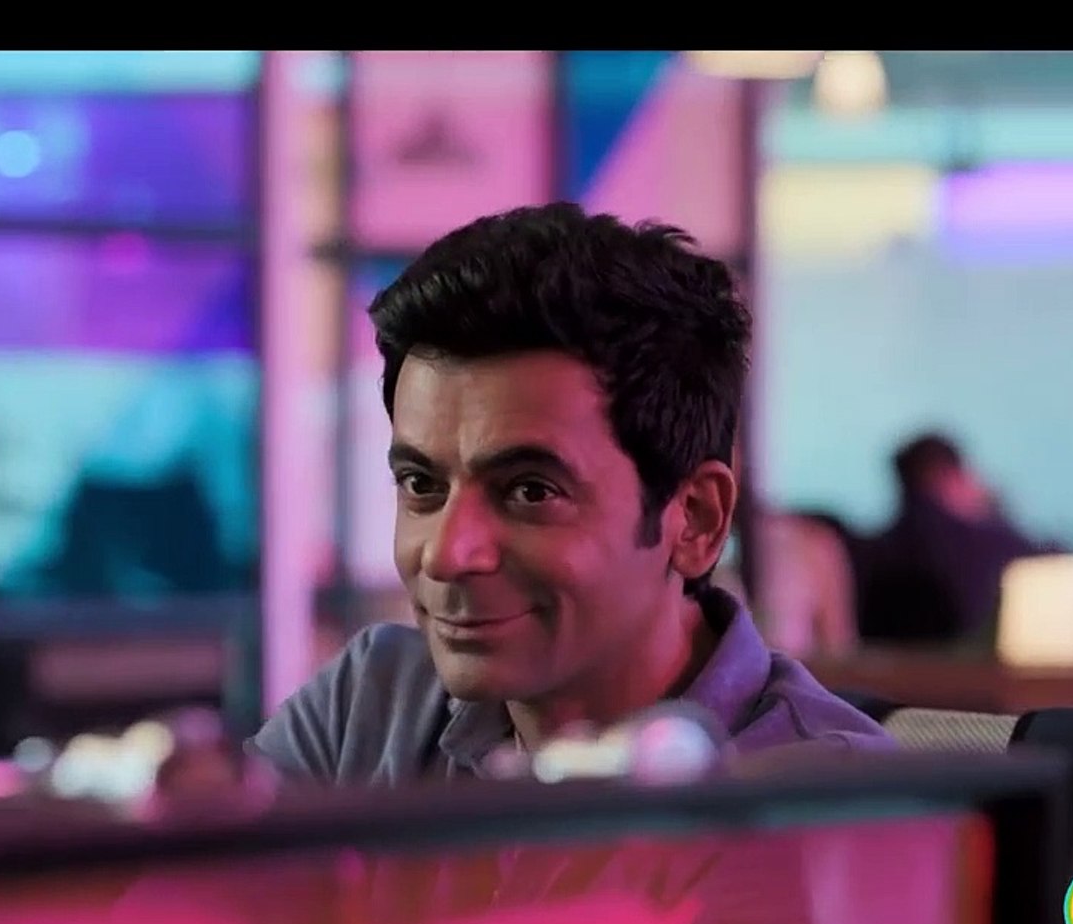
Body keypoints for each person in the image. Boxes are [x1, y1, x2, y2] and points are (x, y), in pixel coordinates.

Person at [250, 203, 893, 784]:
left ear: (695, 519)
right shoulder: (370, 712)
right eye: (421, 485)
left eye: (530, 491)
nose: (447, 555)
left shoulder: (833, 806)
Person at [860, 432, 1050, 646]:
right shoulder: (991, 545)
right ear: (952, 476)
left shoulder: (873, 552)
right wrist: (996, 514)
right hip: (971, 661)